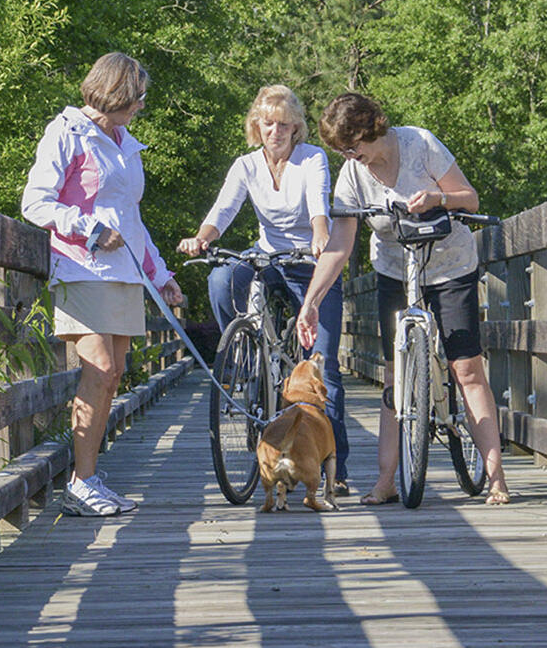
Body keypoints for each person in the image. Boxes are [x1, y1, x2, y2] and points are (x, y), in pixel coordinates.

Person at [294, 92, 510, 505]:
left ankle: (496, 477)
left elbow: (470, 198)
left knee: (466, 369)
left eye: (353, 146)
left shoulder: (420, 144)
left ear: (371, 128)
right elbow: (339, 244)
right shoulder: (353, 174)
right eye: (342, 151)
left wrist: (437, 199)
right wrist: (311, 302)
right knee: (394, 376)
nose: (350, 156)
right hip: (395, 269)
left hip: (450, 265)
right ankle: (386, 480)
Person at [22, 52, 184, 517]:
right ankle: (80, 484)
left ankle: (88, 478)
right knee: (99, 369)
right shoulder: (67, 132)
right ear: (115, 93)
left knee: (113, 376)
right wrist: (88, 229)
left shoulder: (124, 142)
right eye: (136, 97)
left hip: (124, 274)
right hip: (82, 268)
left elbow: (131, 219)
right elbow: (35, 202)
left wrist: (160, 275)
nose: (141, 105)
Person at [178, 85, 351, 492]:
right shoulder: (246, 165)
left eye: (284, 125)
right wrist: (202, 237)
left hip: (309, 261)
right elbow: (223, 208)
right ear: (257, 126)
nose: (276, 132)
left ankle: (337, 469)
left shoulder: (312, 158)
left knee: (324, 363)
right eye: (268, 124)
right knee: (222, 277)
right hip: (268, 257)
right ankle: (243, 352)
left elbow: (318, 204)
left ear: (296, 128)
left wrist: (321, 234)